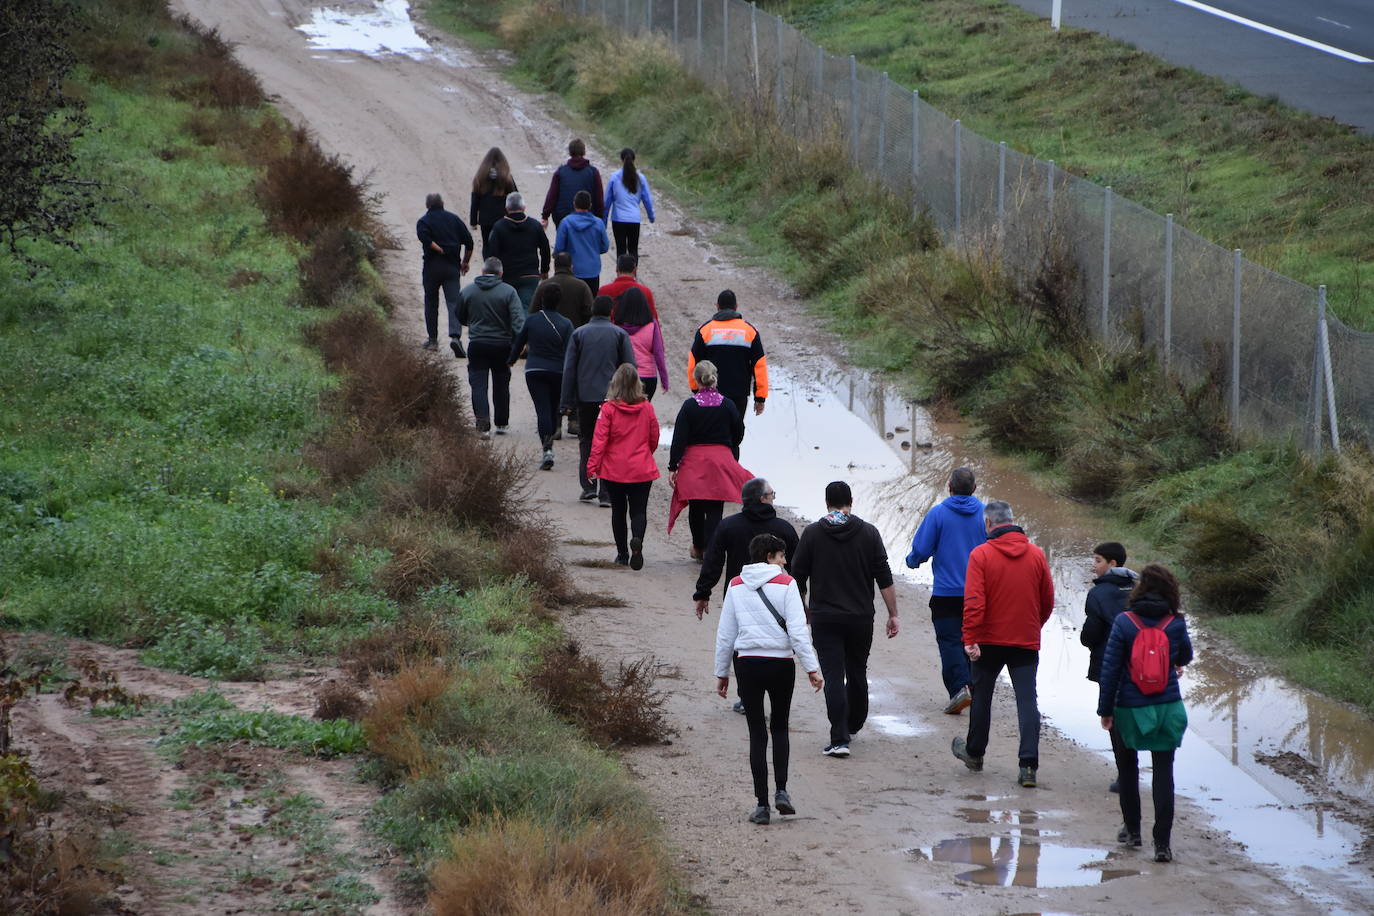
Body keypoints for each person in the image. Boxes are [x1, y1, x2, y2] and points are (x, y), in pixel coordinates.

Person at [715, 533, 824, 825]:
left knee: (756, 733)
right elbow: (798, 632)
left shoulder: (735, 585)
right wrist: (812, 668)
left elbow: (726, 634)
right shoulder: (788, 585)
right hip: (780, 663)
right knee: (779, 727)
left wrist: (722, 672)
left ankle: (761, 806)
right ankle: (782, 792)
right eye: (781, 556)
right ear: (769, 557)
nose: (785, 561)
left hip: (747, 663)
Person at [790, 481, 899, 758]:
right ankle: (854, 723)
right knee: (857, 670)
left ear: (826, 502)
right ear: (851, 500)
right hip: (860, 618)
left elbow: (797, 578)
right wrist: (893, 614)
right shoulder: (869, 533)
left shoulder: (813, 534)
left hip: (825, 617)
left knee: (833, 675)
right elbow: (884, 578)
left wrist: (803, 610)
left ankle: (839, 738)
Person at [952, 500, 1054, 788]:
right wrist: (1033, 626)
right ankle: (1028, 767)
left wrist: (969, 638)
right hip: (1025, 639)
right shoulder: (1036, 555)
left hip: (988, 640)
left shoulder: (981, 555)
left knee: (982, 696)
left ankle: (974, 754)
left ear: (988, 524)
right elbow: (1047, 600)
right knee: (1027, 700)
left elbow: (973, 602)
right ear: (1011, 520)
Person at [1097, 564, 1192, 864]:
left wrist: (1105, 710)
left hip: (1128, 707)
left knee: (1128, 769)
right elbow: (1186, 656)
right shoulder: (1175, 622)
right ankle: (1162, 845)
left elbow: (1110, 669)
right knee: (1164, 773)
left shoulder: (1125, 622)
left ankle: (1133, 831)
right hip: (1167, 707)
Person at [904, 467, 986, 716]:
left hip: (947, 593)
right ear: (974, 488)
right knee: (973, 641)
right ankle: (975, 687)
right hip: (980, 593)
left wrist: (913, 560)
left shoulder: (938, 514)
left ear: (949, 487)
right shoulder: (986, 513)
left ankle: (960, 689)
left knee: (950, 642)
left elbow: (921, 548)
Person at [668, 360, 748, 559]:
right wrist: (728, 447)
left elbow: (679, 438)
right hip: (720, 460)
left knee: (695, 506)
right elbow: (739, 432)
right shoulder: (728, 404)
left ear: (696, 380)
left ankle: (698, 547)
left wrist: (673, 466)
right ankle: (712, 551)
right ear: (715, 378)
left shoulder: (689, 406)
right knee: (715, 507)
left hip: (694, 462)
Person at [561, 295, 635, 506]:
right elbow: (629, 368)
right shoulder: (620, 334)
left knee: (587, 441)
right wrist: (632, 398)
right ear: (611, 312)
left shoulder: (579, 334)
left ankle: (588, 486)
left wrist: (566, 401)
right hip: (614, 399)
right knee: (612, 443)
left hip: (586, 398)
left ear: (592, 311)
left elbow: (569, 370)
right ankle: (607, 493)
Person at [586, 364, 660, 569]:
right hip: (641, 468)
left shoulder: (608, 409)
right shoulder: (647, 407)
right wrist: (646, 453)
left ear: (615, 384)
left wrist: (592, 466)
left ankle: (622, 554)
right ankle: (637, 543)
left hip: (614, 469)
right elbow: (654, 436)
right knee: (639, 511)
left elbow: (599, 440)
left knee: (618, 511)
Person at [1080, 541, 1138, 794]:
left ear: (1112, 564)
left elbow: (1091, 632)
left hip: (1110, 663)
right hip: (1141, 665)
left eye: (1097, 560)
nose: (1094, 566)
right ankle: (1136, 771)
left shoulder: (1098, 594)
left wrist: (1087, 641)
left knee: (1113, 719)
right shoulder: (1140, 589)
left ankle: (1126, 775)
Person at [694, 478, 800, 614]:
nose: (773, 498)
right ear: (763, 499)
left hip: (737, 593)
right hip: (775, 597)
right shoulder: (784, 528)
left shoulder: (728, 526)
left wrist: (702, 593)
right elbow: (797, 567)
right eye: (772, 494)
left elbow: (713, 561)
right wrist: (799, 598)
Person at [455, 258, 524, 440]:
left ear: (483, 272)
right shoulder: (509, 292)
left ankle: (483, 423)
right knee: (501, 383)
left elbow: (459, 315)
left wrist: (472, 323)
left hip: (477, 343)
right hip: (502, 344)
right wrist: (519, 344)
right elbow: (518, 322)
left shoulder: (468, 290)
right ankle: (501, 422)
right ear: (501, 274)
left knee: (478, 384)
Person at [507, 283, 574, 470]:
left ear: (542, 300)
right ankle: (549, 442)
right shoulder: (566, 324)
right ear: (559, 302)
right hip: (558, 371)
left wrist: (511, 361)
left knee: (542, 409)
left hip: (535, 370)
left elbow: (519, 343)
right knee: (553, 409)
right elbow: (571, 352)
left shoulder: (531, 320)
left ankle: (547, 449)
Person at [687, 291, 768, 421]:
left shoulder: (705, 330)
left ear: (717, 306)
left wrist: (696, 389)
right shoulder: (749, 331)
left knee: (713, 432)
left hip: (710, 392)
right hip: (739, 394)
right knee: (735, 433)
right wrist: (760, 397)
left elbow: (693, 362)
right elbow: (759, 366)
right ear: (736, 306)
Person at [416, 192, 473, 353]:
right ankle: (455, 337)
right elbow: (469, 242)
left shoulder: (423, 221)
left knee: (431, 303)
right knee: (454, 303)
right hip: (451, 268)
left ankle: (433, 340)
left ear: (428, 206)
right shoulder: (454, 219)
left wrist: (436, 248)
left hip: (431, 268)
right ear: (442, 204)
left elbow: (424, 238)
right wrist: (465, 262)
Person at [486, 192, 550, 316]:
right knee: (526, 308)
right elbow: (545, 248)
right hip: (530, 275)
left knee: (507, 309)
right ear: (524, 207)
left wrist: (493, 275)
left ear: (506, 208)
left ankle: (512, 334)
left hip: (507, 276)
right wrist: (544, 270)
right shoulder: (535, 225)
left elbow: (492, 254)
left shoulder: (498, 227)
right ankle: (524, 333)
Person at [613, 287, 668, 401]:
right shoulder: (652, 324)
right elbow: (658, 353)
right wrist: (664, 379)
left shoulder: (616, 326)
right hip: (648, 377)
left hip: (624, 377)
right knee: (642, 413)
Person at [553, 190, 609, 296]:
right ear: (590, 205)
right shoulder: (598, 223)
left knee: (573, 303)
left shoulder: (566, 223)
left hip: (572, 270)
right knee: (591, 302)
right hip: (593, 270)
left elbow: (559, 248)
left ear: (574, 204)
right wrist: (594, 250)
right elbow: (605, 247)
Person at [603, 147, 655, 261]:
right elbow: (647, 199)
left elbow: (607, 201)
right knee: (633, 250)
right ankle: (633, 276)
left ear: (621, 160)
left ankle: (620, 276)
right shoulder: (640, 178)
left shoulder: (615, 177)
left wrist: (604, 221)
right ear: (634, 160)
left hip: (618, 220)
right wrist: (651, 216)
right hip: (634, 219)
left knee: (620, 251)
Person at [541, 138, 604, 227]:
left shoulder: (560, 172)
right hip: (587, 217)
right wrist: (599, 217)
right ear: (584, 152)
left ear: (570, 152)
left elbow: (552, 195)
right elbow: (599, 197)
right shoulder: (593, 172)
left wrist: (545, 215)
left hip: (563, 217)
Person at [469, 147, 518, 259]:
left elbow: (475, 200)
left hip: (486, 220)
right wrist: (516, 215)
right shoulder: (507, 178)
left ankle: (488, 268)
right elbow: (515, 197)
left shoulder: (480, 177)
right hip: (503, 218)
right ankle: (502, 267)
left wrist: (473, 221)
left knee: (487, 244)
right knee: (504, 244)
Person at [531, 252, 594, 328]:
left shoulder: (543, 285)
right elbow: (589, 312)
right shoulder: (582, 286)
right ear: (571, 267)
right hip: (574, 333)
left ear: (554, 267)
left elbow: (533, 311)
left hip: (549, 333)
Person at [603, 254, 659, 321]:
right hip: (639, 331)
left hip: (611, 331)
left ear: (616, 269)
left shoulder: (604, 291)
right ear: (635, 270)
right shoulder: (645, 292)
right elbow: (653, 319)